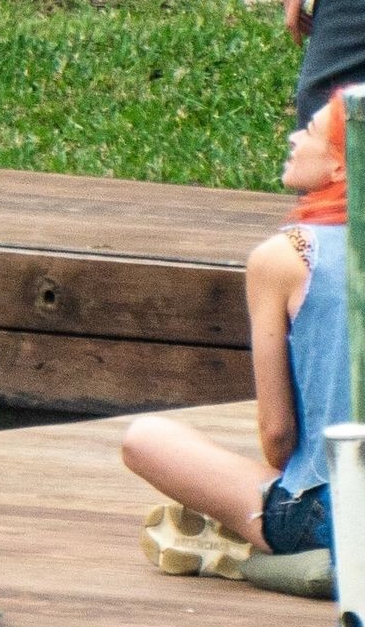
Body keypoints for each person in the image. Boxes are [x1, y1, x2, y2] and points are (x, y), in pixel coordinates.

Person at [122, 94, 348, 569]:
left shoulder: (284, 257)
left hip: (331, 518)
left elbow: (278, 435)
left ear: (340, 167)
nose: (293, 137)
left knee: (144, 438)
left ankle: (253, 539)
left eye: (309, 131)